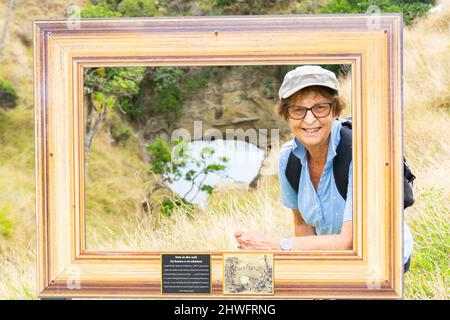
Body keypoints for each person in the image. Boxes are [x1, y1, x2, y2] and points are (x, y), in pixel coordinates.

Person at [234, 65, 413, 271]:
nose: (309, 120)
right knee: (243, 270)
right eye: (298, 110)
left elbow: (348, 241)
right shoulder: (288, 158)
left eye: (320, 107)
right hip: (336, 257)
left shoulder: (362, 153)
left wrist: (274, 246)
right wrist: (312, 272)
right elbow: (302, 224)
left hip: (381, 259)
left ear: (335, 110)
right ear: (287, 115)